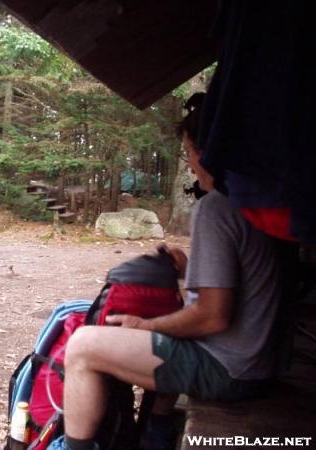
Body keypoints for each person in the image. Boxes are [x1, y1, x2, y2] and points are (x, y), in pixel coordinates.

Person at [53, 94, 282, 450]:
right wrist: (190, 269)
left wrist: (144, 326)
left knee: (83, 346)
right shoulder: (262, 202)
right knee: (167, 325)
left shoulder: (216, 208)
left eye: (190, 150)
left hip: (229, 369)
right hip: (260, 361)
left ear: (209, 152)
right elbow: (245, 282)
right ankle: (155, 436)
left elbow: (212, 316)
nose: (190, 164)